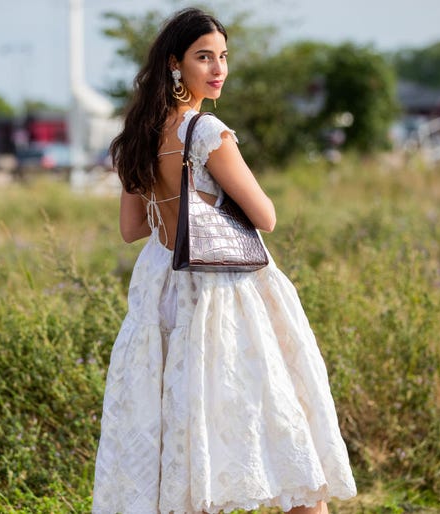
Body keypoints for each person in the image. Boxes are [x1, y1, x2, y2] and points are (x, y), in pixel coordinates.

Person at [92, 8, 356, 514]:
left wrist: (174, 200)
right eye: (204, 57)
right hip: (221, 293)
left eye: (223, 57)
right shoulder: (207, 132)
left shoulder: (138, 135)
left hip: (163, 291)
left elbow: (132, 230)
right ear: (176, 65)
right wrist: (208, 198)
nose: (218, 69)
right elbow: (266, 215)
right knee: (282, 432)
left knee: (185, 438)